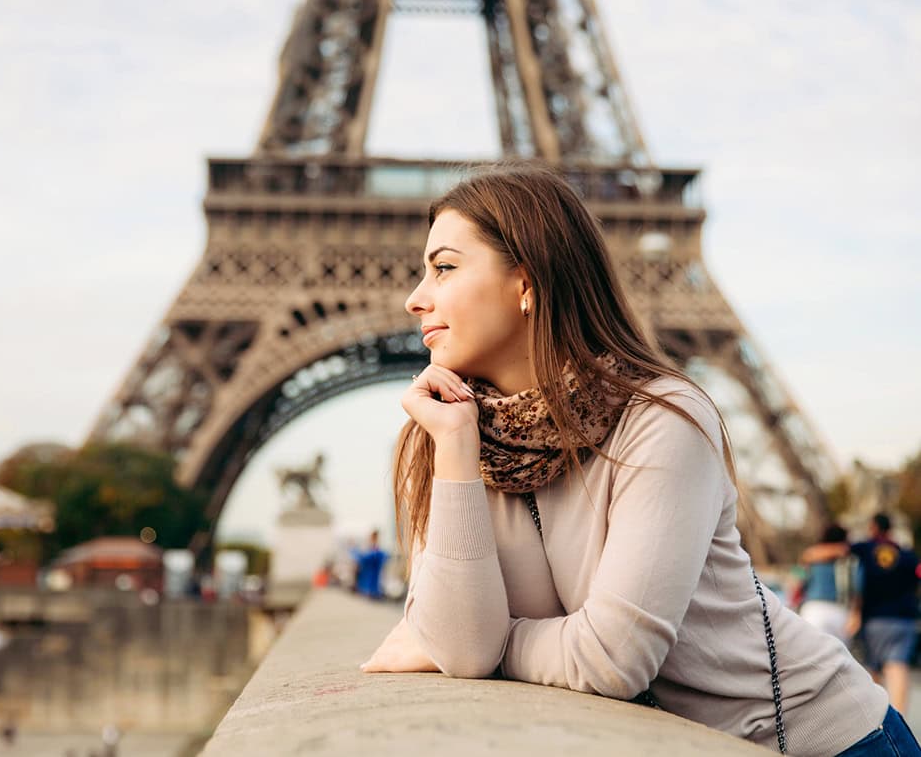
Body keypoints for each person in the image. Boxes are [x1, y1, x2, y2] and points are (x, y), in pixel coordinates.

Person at [360, 162, 918, 756]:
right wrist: (455, 449)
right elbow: (464, 649)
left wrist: (496, 642)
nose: (415, 298)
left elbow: (611, 660)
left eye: (444, 267)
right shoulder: (445, 435)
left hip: (826, 742)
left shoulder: (664, 418)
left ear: (527, 284)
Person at [850, 513, 920, 716]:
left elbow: (845, 557)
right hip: (903, 618)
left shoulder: (865, 548)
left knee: (873, 667)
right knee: (897, 667)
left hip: (875, 618)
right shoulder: (906, 553)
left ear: (873, 527)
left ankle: (877, 719)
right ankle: (900, 719)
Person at [797, 523, 854, 643]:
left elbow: (798, 579)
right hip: (839, 610)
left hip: (812, 609)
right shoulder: (849, 558)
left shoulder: (811, 556)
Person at [352, 530, 388, 599]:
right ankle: (371, 592)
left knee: (372, 582)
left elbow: (366, 556)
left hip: (373, 571)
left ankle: (372, 593)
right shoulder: (371, 547)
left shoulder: (376, 549)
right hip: (370, 571)